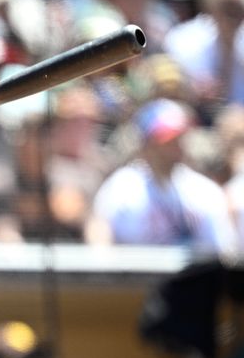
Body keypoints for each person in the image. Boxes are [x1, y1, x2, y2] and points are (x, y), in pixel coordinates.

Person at [86, 98, 236, 253]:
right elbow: (99, 235)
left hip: (193, 275)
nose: (176, 147)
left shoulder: (202, 190)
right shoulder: (122, 187)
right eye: (167, 141)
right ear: (147, 144)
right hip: (137, 274)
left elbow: (221, 251)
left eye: (180, 138)